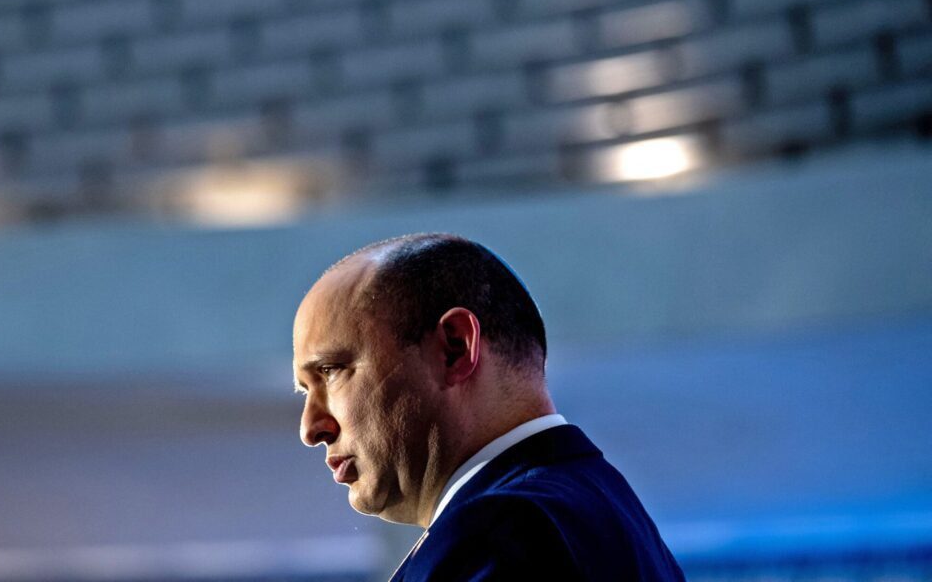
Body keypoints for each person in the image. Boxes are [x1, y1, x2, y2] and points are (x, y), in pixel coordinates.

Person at [292, 232, 685, 581]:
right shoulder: (603, 514)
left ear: (454, 348)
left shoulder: (503, 535)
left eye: (331, 371)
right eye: (304, 390)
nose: (311, 428)